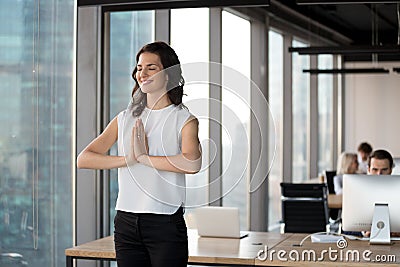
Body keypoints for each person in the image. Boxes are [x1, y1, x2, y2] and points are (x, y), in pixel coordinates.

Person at [77, 41, 202, 267]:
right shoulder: (125, 118)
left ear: (168, 74)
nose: (141, 73)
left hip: (165, 222)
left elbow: (192, 163)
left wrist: (145, 158)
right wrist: (129, 160)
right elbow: (84, 158)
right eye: (139, 67)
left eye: (151, 68)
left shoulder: (184, 119)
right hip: (125, 221)